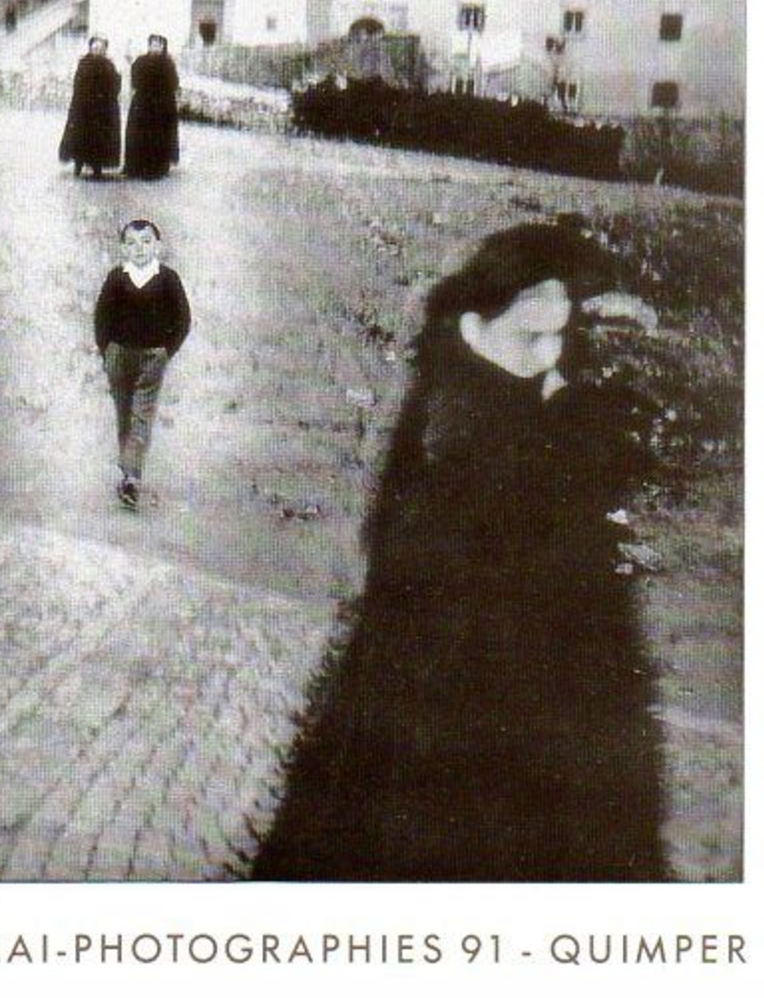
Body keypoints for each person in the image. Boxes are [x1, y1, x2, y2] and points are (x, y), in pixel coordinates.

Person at [253, 222, 668, 882]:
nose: (547, 359)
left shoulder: (537, 398)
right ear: (478, 325)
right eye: (531, 338)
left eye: (559, 338)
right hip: (451, 691)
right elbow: (441, 559)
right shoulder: (453, 424)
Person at [94, 219, 191, 509]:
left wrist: (166, 351)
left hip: (152, 357)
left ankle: (132, 479)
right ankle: (128, 472)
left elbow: (183, 319)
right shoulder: (117, 278)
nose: (140, 249)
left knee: (141, 415)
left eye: (146, 242)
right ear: (123, 248)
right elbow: (102, 317)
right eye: (132, 243)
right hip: (119, 355)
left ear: (158, 246)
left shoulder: (167, 278)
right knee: (124, 412)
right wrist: (107, 350)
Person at [58, 36, 122, 179]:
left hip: (102, 110)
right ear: (90, 48)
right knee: (81, 138)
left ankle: (97, 167)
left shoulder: (109, 65)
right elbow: (77, 85)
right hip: (84, 108)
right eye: (94, 48)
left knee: (99, 140)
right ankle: (78, 165)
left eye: (100, 49)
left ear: (104, 50)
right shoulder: (84, 64)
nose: (97, 51)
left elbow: (115, 87)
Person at [123, 34, 180, 180]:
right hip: (143, 104)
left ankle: (157, 168)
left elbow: (174, 84)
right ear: (148, 45)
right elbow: (134, 81)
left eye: (159, 45)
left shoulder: (168, 64)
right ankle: (136, 167)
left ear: (163, 47)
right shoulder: (141, 61)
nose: (155, 47)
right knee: (140, 134)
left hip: (162, 106)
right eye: (153, 44)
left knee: (159, 136)